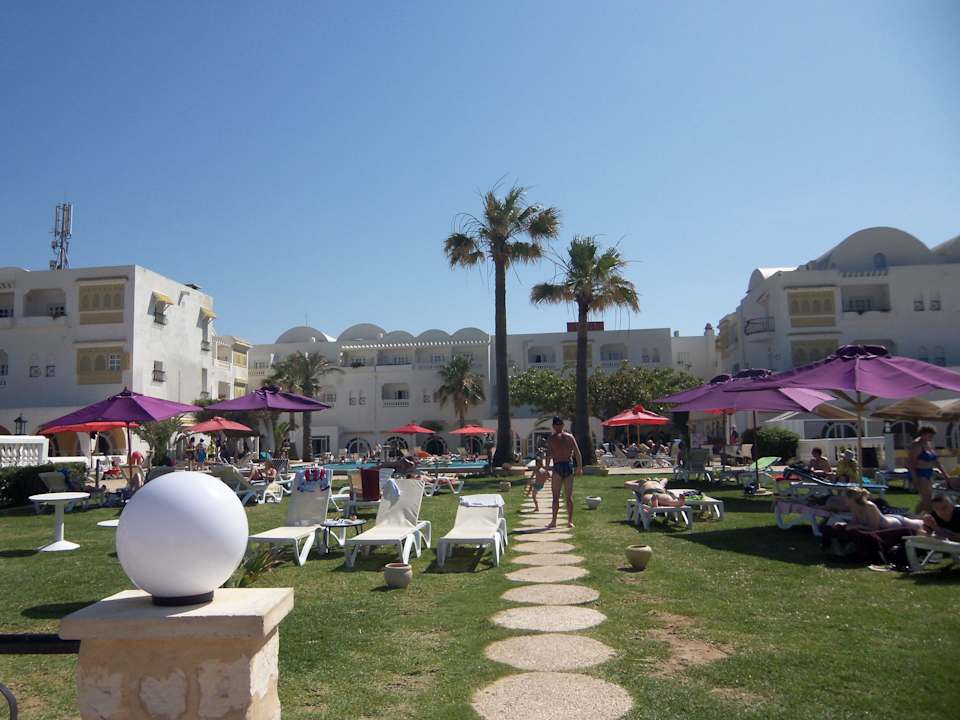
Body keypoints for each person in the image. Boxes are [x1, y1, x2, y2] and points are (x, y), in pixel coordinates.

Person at [545, 417, 582, 529]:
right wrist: (546, 469)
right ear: (554, 426)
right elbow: (548, 454)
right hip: (558, 467)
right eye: (557, 424)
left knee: (568, 496)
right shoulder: (552, 439)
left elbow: (576, 452)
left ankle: (569, 521)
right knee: (555, 496)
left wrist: (580, 467)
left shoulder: (569, 437)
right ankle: (554, 521)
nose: (558, 426)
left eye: (559, 424)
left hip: (566, 465)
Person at [843, 487, 923, 532]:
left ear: (852, 499)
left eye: (845, 498)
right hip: (888, 518)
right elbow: (854, 523)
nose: (843, 499)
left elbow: (874, 527)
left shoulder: (869, 506)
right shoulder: (854, 507)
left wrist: (857, 526)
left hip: (897, 523)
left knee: (922, 524)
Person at [907, 426, 948, 513]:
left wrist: (945, 474)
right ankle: (923, 516)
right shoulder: (917, 446)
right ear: (923, 434)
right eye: (930, 436)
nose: (931, 438)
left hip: (928, 472)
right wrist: (915, 478)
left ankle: (920, 516)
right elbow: (910, 463)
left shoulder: (928, 444)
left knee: (927, 499)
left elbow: (936, 461)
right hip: (920, 473)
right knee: (927, 499)